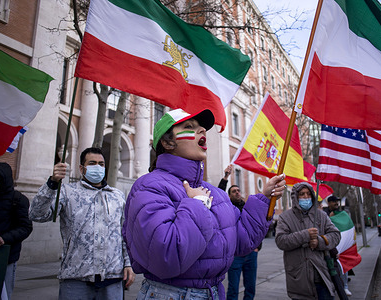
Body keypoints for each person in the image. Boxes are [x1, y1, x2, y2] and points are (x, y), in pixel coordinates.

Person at [122, 108, 286, 300]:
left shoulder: (216, 193)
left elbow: (241, 242)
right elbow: (165, 256)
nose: (201, 131)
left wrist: (264, 199)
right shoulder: (149, 186)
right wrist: (198, 204)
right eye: (189, 127)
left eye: (202, 128)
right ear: (167, 143)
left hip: (214, 293)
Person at [29, 147, 135, 300]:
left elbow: (124, 233)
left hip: (112, 279)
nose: (97, 167)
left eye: (101, 164)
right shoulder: (67, 192)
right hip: (76, 278)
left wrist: (128, 263)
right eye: (92, 163)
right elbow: (37, 215)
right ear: (82, 168)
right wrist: (52, 184)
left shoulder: (117, 196)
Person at [275, 182, 340, 300]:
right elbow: (281, 241)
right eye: (302, 194)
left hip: (321, 276)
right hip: (299, 280)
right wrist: (306, 235)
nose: (305, 197)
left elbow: (335, 235)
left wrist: (320, 241)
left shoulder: (321, 215)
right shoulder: (285, 217)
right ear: (295, 197)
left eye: (308, 194)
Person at [218, 166, 260, 300]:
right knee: (233, 288)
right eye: (234, 191)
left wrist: (258, 246)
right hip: (235, 255)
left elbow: (257, 227)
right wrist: (225, 178)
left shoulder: (247, 207)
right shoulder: (227, 206)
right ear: (229, 195)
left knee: (250, 287)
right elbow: (218, 192)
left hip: (250, 253)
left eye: (238, 190)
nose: (237, 192)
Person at [0, 162, 33, 300]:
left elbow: (25, 227)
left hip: (5, 257)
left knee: (2, 294)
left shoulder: (18, 199)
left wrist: (4, 238)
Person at [324, 196, 352, 297]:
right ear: (329, 203)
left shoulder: (342, 213)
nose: (336, 203)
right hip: (332, 245)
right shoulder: (325, 214)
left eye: (337, 201)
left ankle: (345, 286)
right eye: (334, 201)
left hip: (342, 243)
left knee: (344, 264)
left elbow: (347, 224)